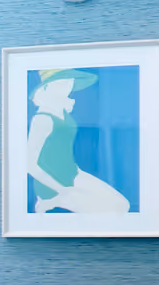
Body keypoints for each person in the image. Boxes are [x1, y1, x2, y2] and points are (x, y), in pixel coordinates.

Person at [26, 68, 130, 214]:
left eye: (69, 82)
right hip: (53, 183)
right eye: (62, 83)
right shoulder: (42, 118)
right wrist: (61, 190)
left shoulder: (61, 110)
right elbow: (30, 164)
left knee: (122, 205)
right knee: (109, 210)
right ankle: (48, 202)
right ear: (48, 86)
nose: (67, 87)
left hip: (72, 174)